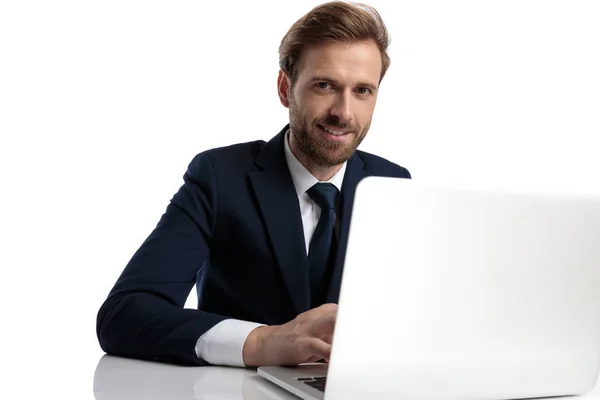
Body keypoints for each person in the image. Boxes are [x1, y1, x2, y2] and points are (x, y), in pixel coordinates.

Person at [96, 0, 411, 367]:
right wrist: (262, 341)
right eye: (325, 85)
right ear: (284, 88)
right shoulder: (219, 177)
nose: (344, 112)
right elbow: (124, 314)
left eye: (362, 91)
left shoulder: (393, 185)